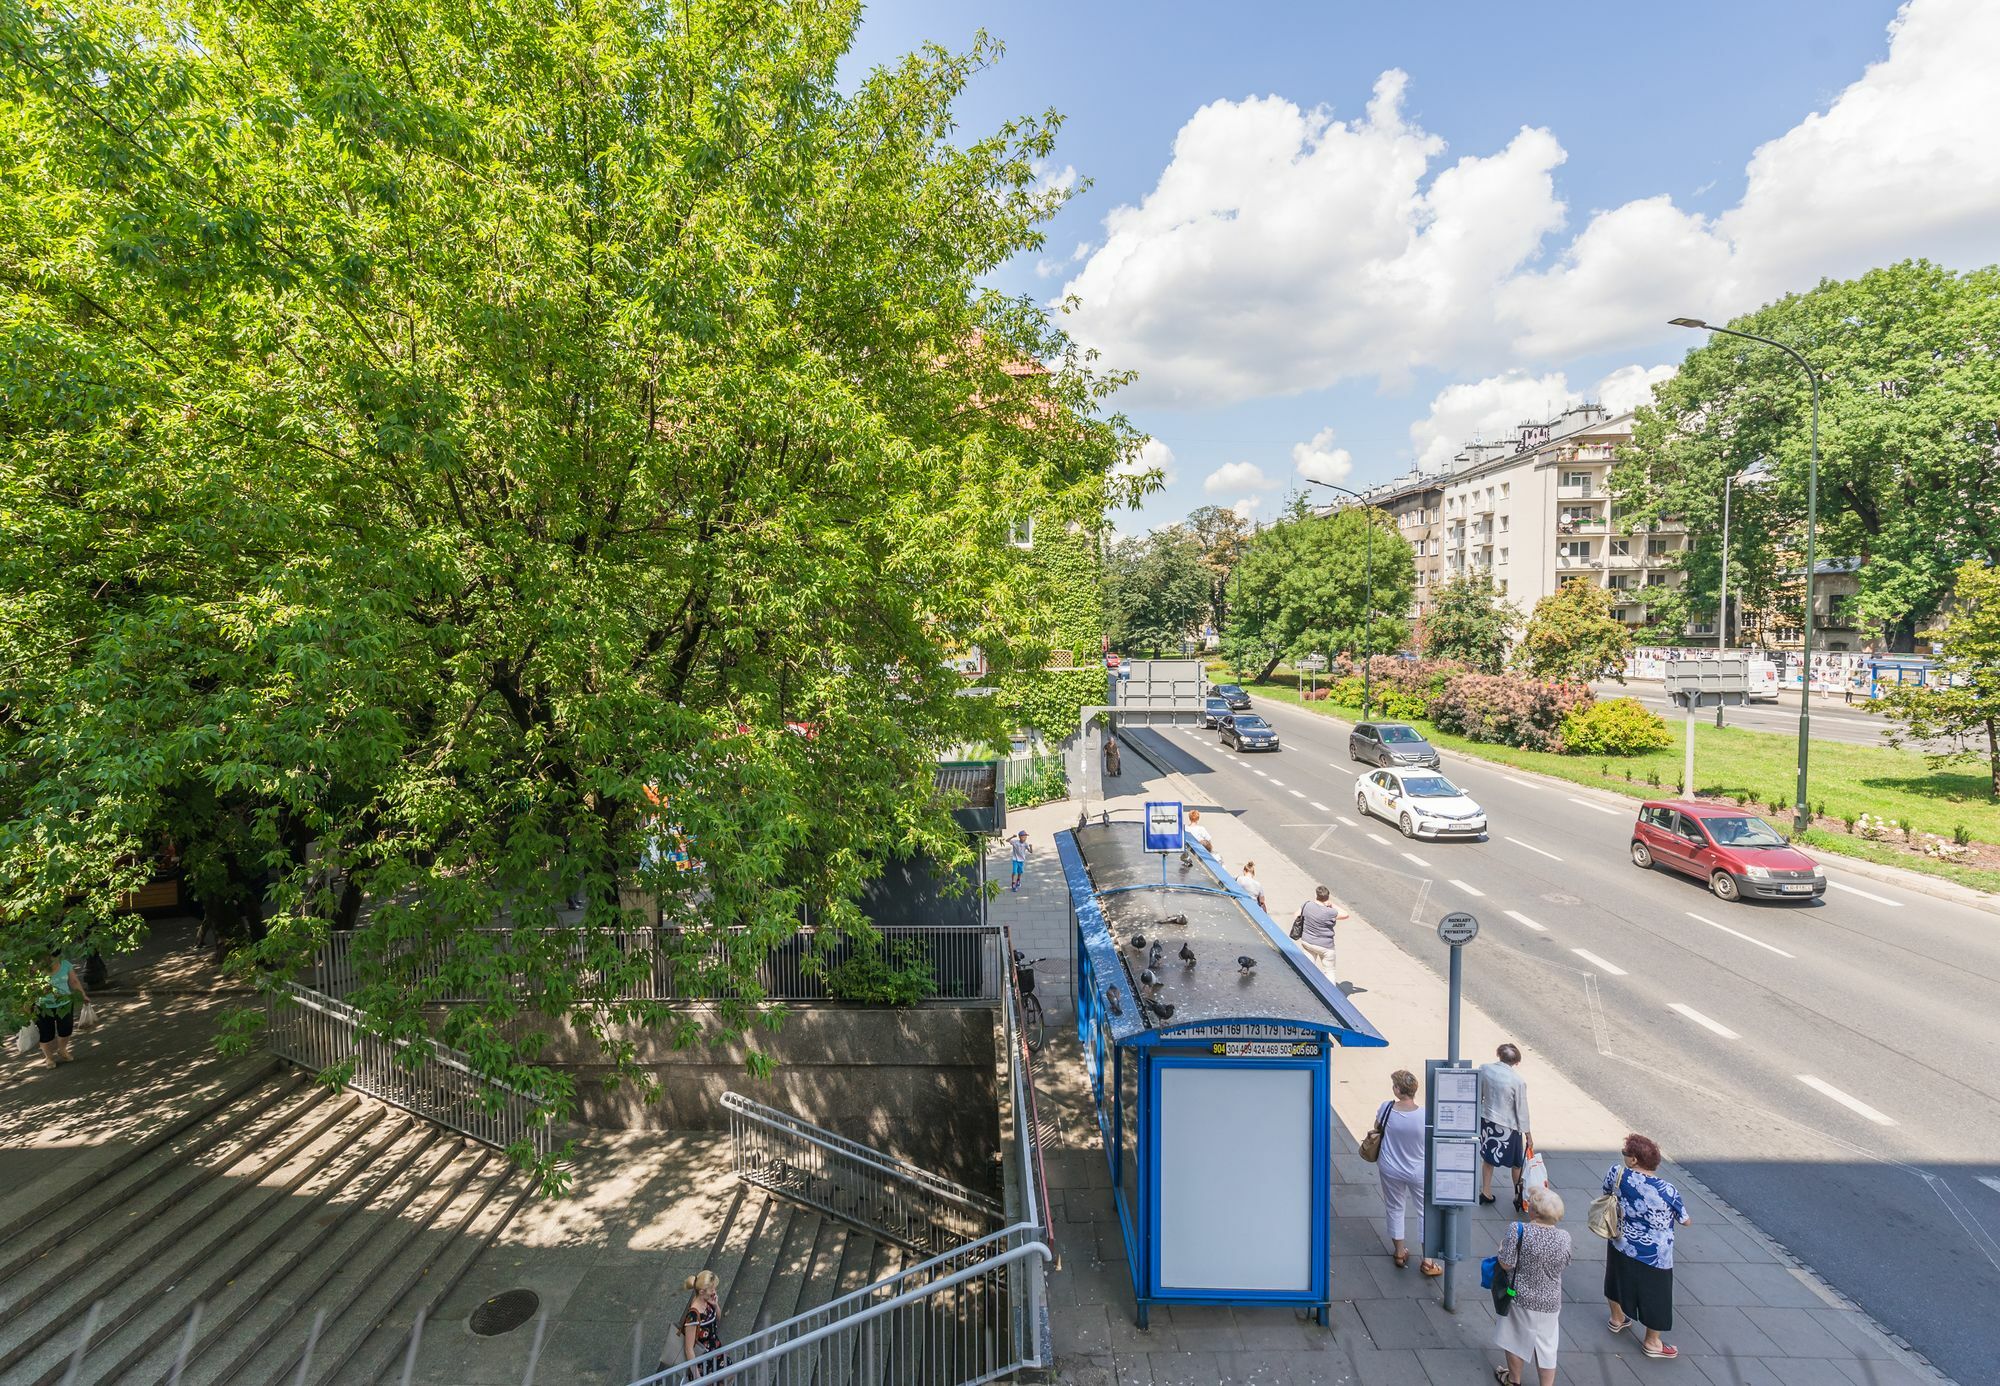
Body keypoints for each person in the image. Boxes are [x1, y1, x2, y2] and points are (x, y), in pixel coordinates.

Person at [1603, 1133, 1689, 1361]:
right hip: (1655, 1253)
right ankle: (1652, 1342)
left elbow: (1606, 1193)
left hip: (1621, 1239)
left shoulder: (1617, 1174)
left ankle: (1617, 1319)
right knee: (1656, 1294)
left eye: (1625, 1153)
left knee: (1616, 1279)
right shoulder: (1667, 1190)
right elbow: (1685, 1220)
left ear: (1633, 1160)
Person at [1493, 1187, 1573, 1386]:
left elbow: (1506, 1263)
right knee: (1547, 1346)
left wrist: (1502, 1248)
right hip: (1550, 1301)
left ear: (1533, 1212)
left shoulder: (1519, 1230)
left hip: (1520, 1296)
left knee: (1513, 1338)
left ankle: (1513, 1379)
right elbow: (1564, 1264)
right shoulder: (1564, 1237)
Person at [1375, 1069, 1443, 1276]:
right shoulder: (1424, 1115)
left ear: (1397, 1089)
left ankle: (1399, 1252)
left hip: (1390, 1167)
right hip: (1418, 1170)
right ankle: (1428, 1261)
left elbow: (1377, 1128)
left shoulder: (1386, 1108)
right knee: (1424, 1212)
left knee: (1395, 1208)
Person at [1478, 1043, 1533, 1210]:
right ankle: (1518, 1195)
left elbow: (1479, 1093)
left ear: (1498, 1054)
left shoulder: (1485, 1069)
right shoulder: (1518, 1081)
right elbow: (1521, 1110)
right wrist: (1528, 1134)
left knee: (1488, 1158)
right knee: (1516, 1162)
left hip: (1487, 1120)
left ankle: (1486, 1191)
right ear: (1516, 1062)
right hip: (1508, 1126)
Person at [34, 950, 89, 1069]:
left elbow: (74, 981)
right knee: (46, 1034)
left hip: (65, 1004)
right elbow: (30, 986)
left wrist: (82, 995)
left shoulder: (65, 964)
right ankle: (49, 1057)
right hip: (43, 1006)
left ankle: (62, 1050)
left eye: (54, 957)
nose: (50, 960)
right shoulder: (36, 968)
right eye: (47, 957)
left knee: (66, 1030)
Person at [674, 1269, 727, 1376]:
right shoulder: (693, 1315)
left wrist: (715, 1305)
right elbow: (689, 1348)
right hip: (704, 1360)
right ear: (702, 1292)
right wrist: (697, 1376)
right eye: (711, 1289)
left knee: (729, 1376)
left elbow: (718, 1319)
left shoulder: (707, 1301)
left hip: (716, 1351)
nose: (714, 1292)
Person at [1295, 885, 1345, 977]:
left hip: (1307, 942)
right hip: (1325, 946)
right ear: (1327, 897)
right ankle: (1331, 990)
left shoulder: (1307, 905)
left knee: (1308, 967)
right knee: (1329, 971)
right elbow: (1345, 915)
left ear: (1315, 895)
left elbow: (1296, 915)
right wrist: (1332, 904)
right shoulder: (1330, 912)